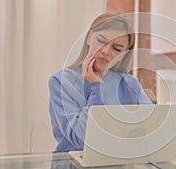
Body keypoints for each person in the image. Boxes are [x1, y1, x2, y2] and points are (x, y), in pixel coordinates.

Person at [48, 11, 152, 152]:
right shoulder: (60, 82)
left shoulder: (130, 84)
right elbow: (81, 140)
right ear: (89, 37)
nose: (106, 51)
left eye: (117, 48)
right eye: (101, 41)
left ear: (124, 54)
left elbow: (151, 131)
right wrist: (96, 87)